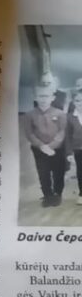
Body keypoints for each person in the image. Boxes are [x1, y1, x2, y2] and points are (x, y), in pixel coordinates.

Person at [24, 84, 68, 206]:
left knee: (58, 172)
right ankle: (47, 196)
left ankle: (57, 194)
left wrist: (52, 146)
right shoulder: (29, 115)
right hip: (39, 150)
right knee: (43, 173)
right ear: (35, 97)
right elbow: (29, 133)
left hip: (57, 149)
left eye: (46, 96)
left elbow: (62, 132)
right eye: (40, 96)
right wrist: (42, 146)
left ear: (52, 98)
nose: (43, 99)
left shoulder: (60, 114)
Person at [67, 79, 82, 207]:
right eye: (77, 100)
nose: (80, 103)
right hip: (78, 149)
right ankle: (81, 194)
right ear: (73, 102)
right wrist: (69, 152)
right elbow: (67, 136)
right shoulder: (70, 117)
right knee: (80, 171)